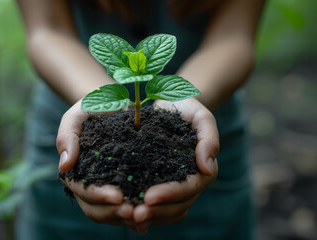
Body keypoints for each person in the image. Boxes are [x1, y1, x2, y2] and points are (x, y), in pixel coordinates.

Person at [15, 0, 265, 239]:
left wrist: (181, 100)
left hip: (204, 132)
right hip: (72, 123)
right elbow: (47, 29)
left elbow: (234, 36)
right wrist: (98, 102)